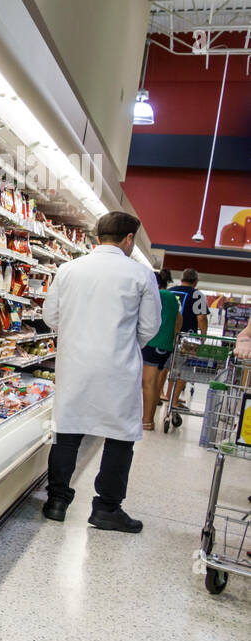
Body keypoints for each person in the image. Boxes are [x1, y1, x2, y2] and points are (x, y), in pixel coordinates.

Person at [42, 211, 162, 533]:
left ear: (98, 237)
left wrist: (77, 335)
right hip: (117, 368)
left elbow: (50, 316)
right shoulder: (140, 275)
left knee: (67, 432)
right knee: (120, 436)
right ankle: (107, 508)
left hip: (75, 365)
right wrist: (120, 342)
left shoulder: (68, 269)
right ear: (128, 240)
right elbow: (150, 326)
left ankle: (56, 501)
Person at [165, 268, 209, 416]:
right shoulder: (197, 295)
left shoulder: (170, 291)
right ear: (195, 282)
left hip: (168, 336)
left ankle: (168, 395)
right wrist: (203, 336)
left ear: (181, 278)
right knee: (185, 370)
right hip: (187, 339)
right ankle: (175, 400)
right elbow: (201, 317)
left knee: (169, 367)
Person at [141, 269, 181, 430]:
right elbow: (179, 319)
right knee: (155, 383)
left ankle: (147, 421)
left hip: (153, 343)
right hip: (164, 345)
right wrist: (171, 336)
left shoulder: (158, 295)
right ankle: (148, 419)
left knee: (148, 383)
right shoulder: (171, 297)